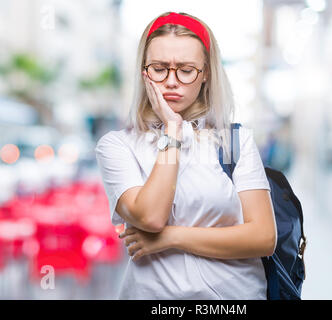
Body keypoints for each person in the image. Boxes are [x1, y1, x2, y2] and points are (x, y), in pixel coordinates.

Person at [95, 11, 277, 300]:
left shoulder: (235, 141)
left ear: (205, 75)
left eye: (186, 70)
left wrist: (170, 238)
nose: (171, 81)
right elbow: (152, 217)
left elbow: (263, 237)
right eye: (159, 68)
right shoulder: (117, 146)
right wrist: (172, 130)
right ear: (144, 72)